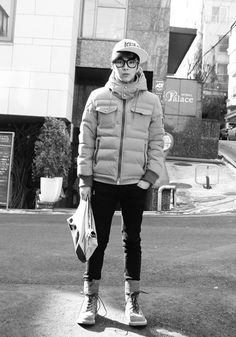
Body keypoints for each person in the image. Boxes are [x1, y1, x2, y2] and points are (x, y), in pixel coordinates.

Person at [77, 39, 164, 326]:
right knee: (96, 241)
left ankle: (132, 301)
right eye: (120, 61)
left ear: (139, 66)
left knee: (133, 241)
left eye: (131, 62)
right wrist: (84, 179)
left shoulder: (151, 101)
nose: (125, 68)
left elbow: (156, 141)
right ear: (112, 64)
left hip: (134, 184)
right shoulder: (97, 96)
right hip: (100, 182)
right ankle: (90, 299)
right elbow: (86, 140)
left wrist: (149, 177)